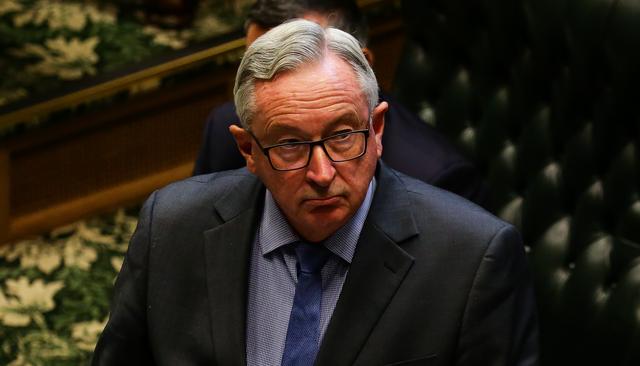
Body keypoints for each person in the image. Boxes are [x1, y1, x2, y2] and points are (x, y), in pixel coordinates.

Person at [92, 20, 537, 366]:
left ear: (377, 129)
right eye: (289, 145)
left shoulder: (474, 259)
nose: (322, 173)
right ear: (248, 149)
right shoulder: (171, 225)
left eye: (343, 136)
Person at [193, 0, 487, 205]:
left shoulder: (437, 180)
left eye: (305, 61)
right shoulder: (227, 126)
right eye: (262, 69)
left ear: (365, 63)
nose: (321, 174)